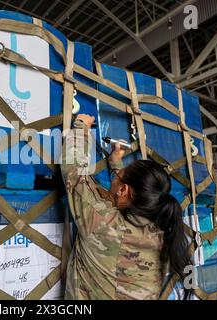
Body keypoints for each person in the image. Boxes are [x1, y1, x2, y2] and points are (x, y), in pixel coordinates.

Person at [61, 113, 192, 300]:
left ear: (124, 190)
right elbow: (125, 196)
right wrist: (116, 163)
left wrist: (82, 126)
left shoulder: (104, 223)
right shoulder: (163, 235)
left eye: (117, 177)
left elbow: (73, 171)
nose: (113, 179)